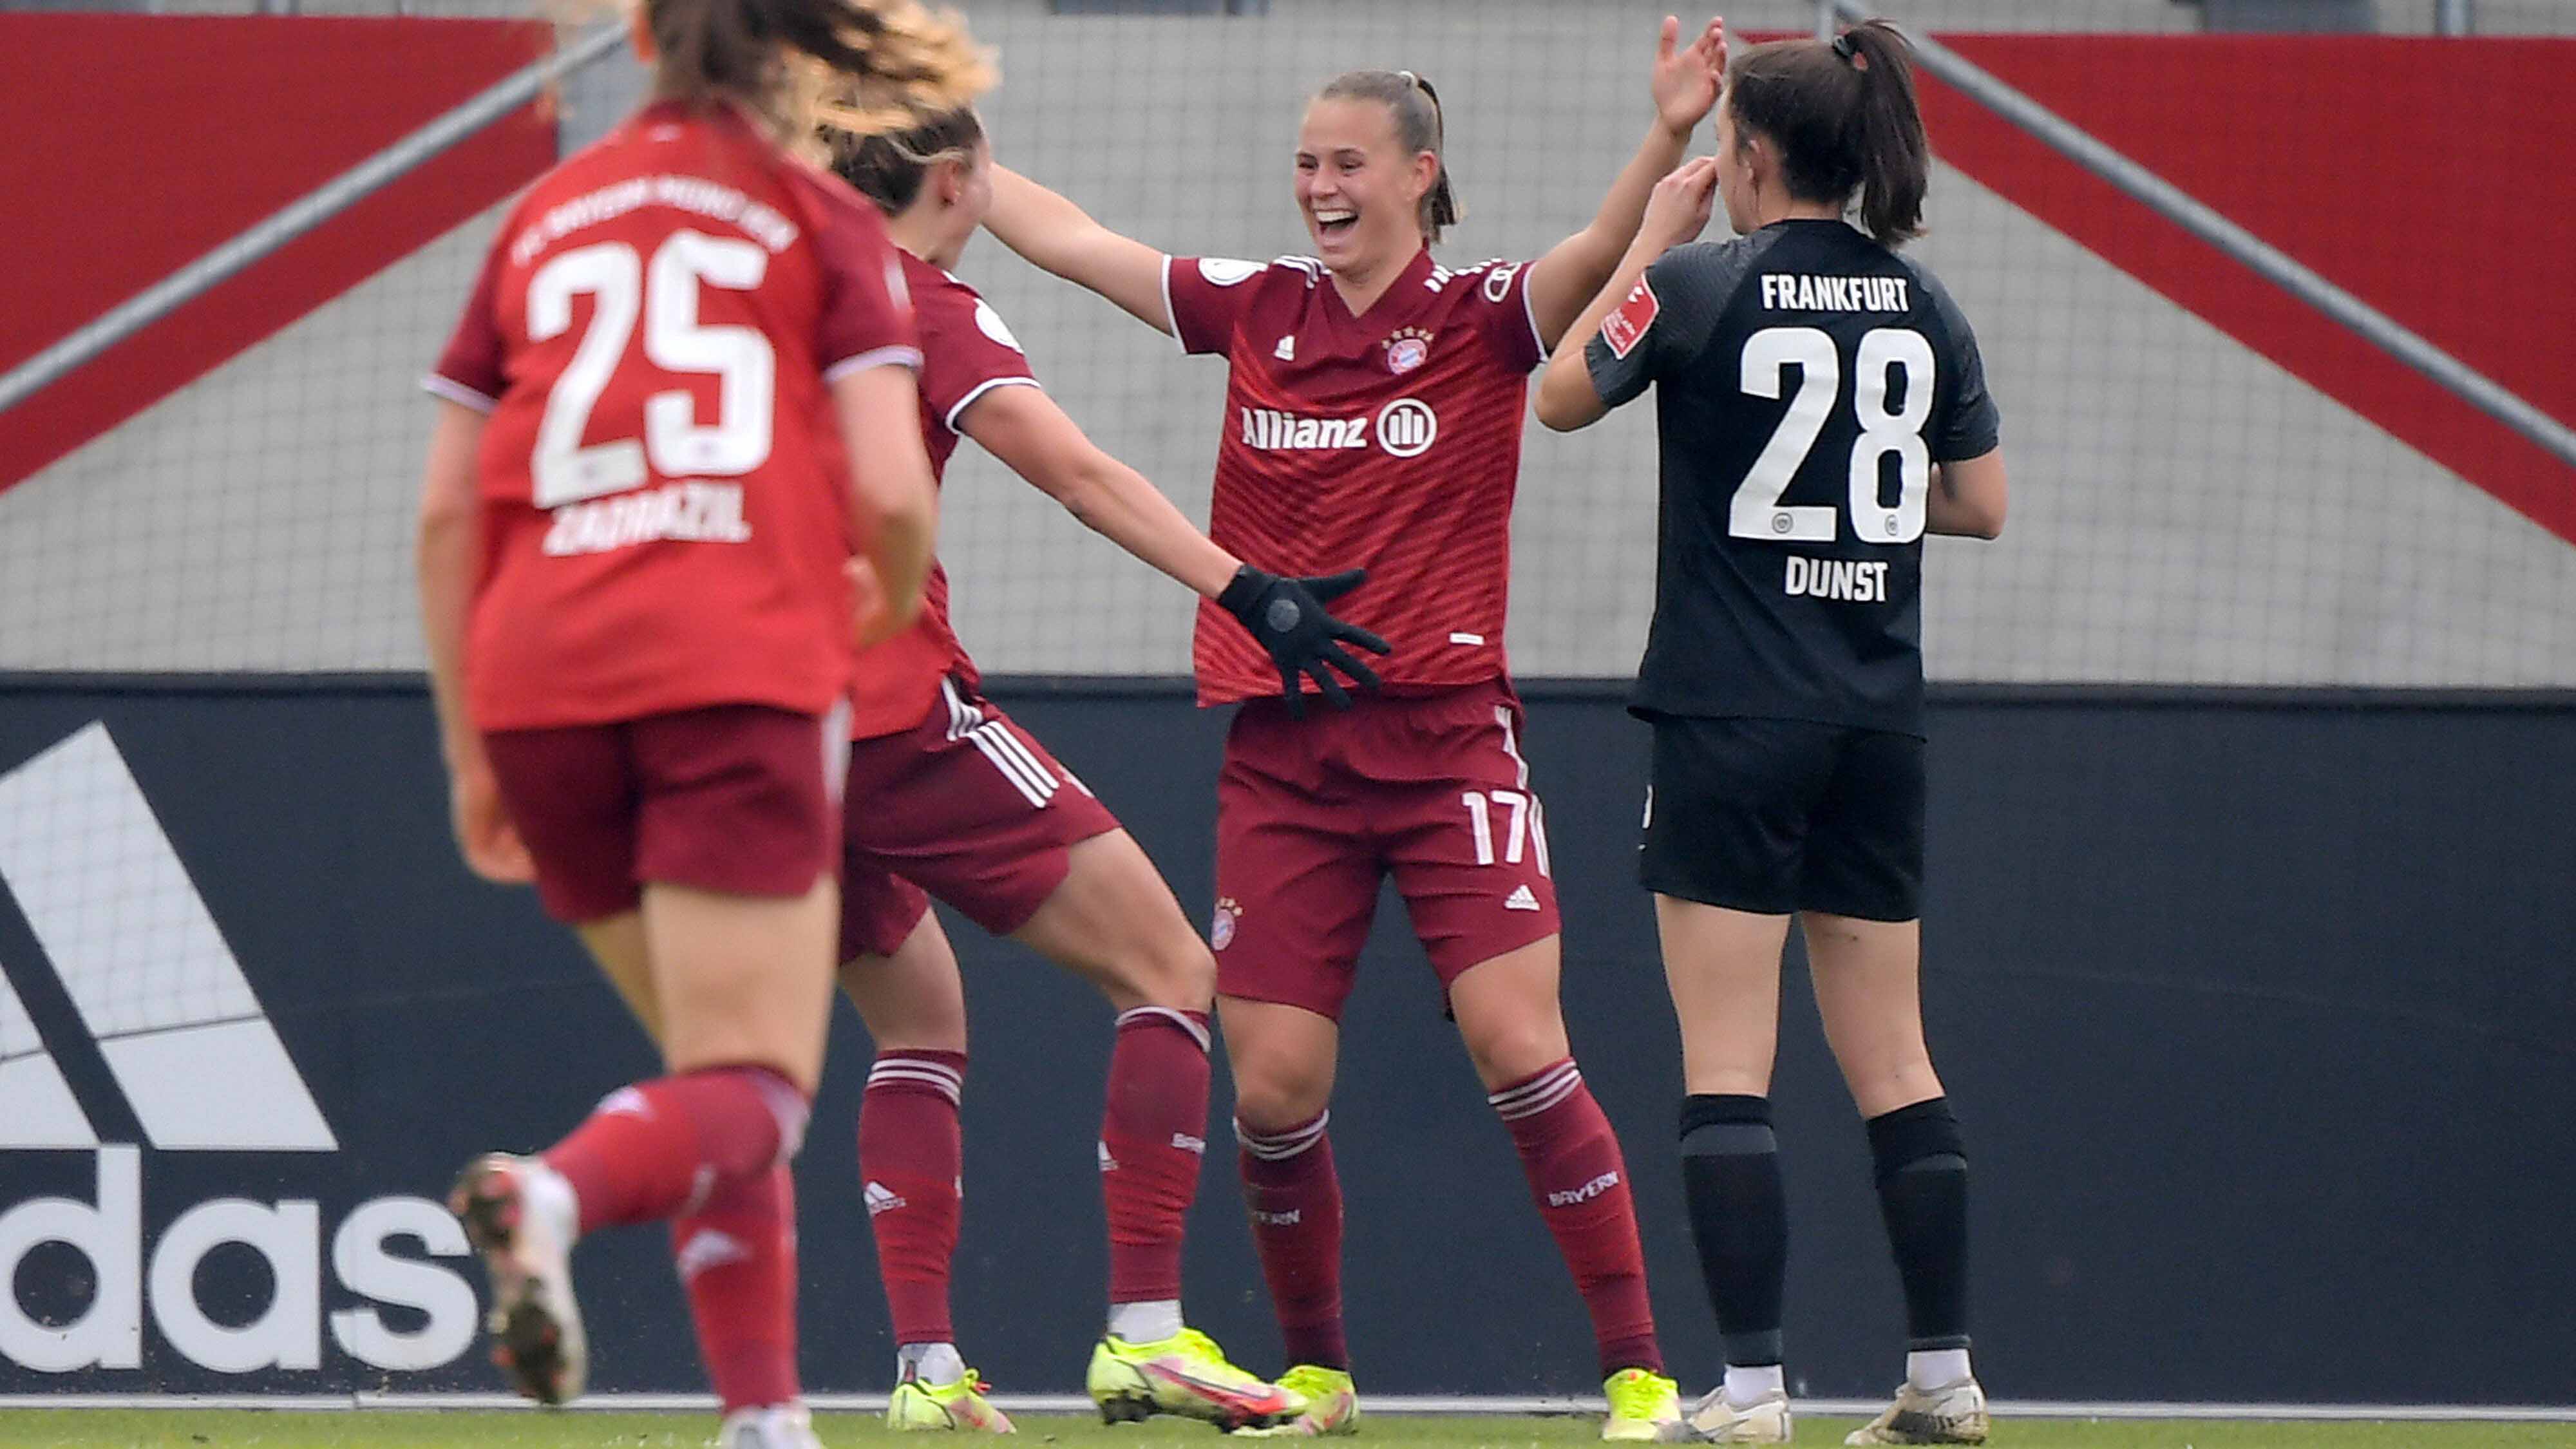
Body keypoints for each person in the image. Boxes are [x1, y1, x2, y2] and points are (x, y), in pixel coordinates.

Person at [979, 15, 1734, 1439]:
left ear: (1416, 176)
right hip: (1284, 755)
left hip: (1447, 745)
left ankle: (1638, 1375)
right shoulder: (1252, 305)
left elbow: (1591, 254)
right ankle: (1319, 1373)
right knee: (1270, 1088)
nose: (1317, 186)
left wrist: (1669, 134)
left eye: (1344, 164)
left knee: (1519, 1047)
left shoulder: (1482, 318)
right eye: (1302, 163)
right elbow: (1074, 243)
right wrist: (959, 166)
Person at [414, 2, 978, 1444]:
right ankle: (552, 1192)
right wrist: (878, 598)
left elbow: (443, 512)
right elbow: (895, 498)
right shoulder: (818, 222)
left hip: (540, 678)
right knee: (753, 1086)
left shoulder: (542, 215)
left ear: (646, 35)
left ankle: (763, 1418)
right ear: (801, 49)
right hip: (728, 667)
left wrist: (474, 744)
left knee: (714, 1075)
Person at [799, 103, 1384, 1434]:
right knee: (1172, 972)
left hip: (751, 736)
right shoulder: (928, 309)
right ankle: (1143, 1336)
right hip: (889, 708)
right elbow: (1072, 472)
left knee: (916, 1023)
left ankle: (927, 1374)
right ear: (956, 179)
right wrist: (1248, 591)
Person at [1535, 19, 2007, 1447]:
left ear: (1745, 156)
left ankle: (1744, 1396)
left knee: (1725, 1063)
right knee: (1896, 1062)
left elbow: (1554, 394)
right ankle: (1941, 1380)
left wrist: (1644, 238)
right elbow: (1979, 504)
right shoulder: (1924, 308)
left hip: (1729, 718)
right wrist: (1847, 511)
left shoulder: (1694, 284)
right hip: (1873, 727)